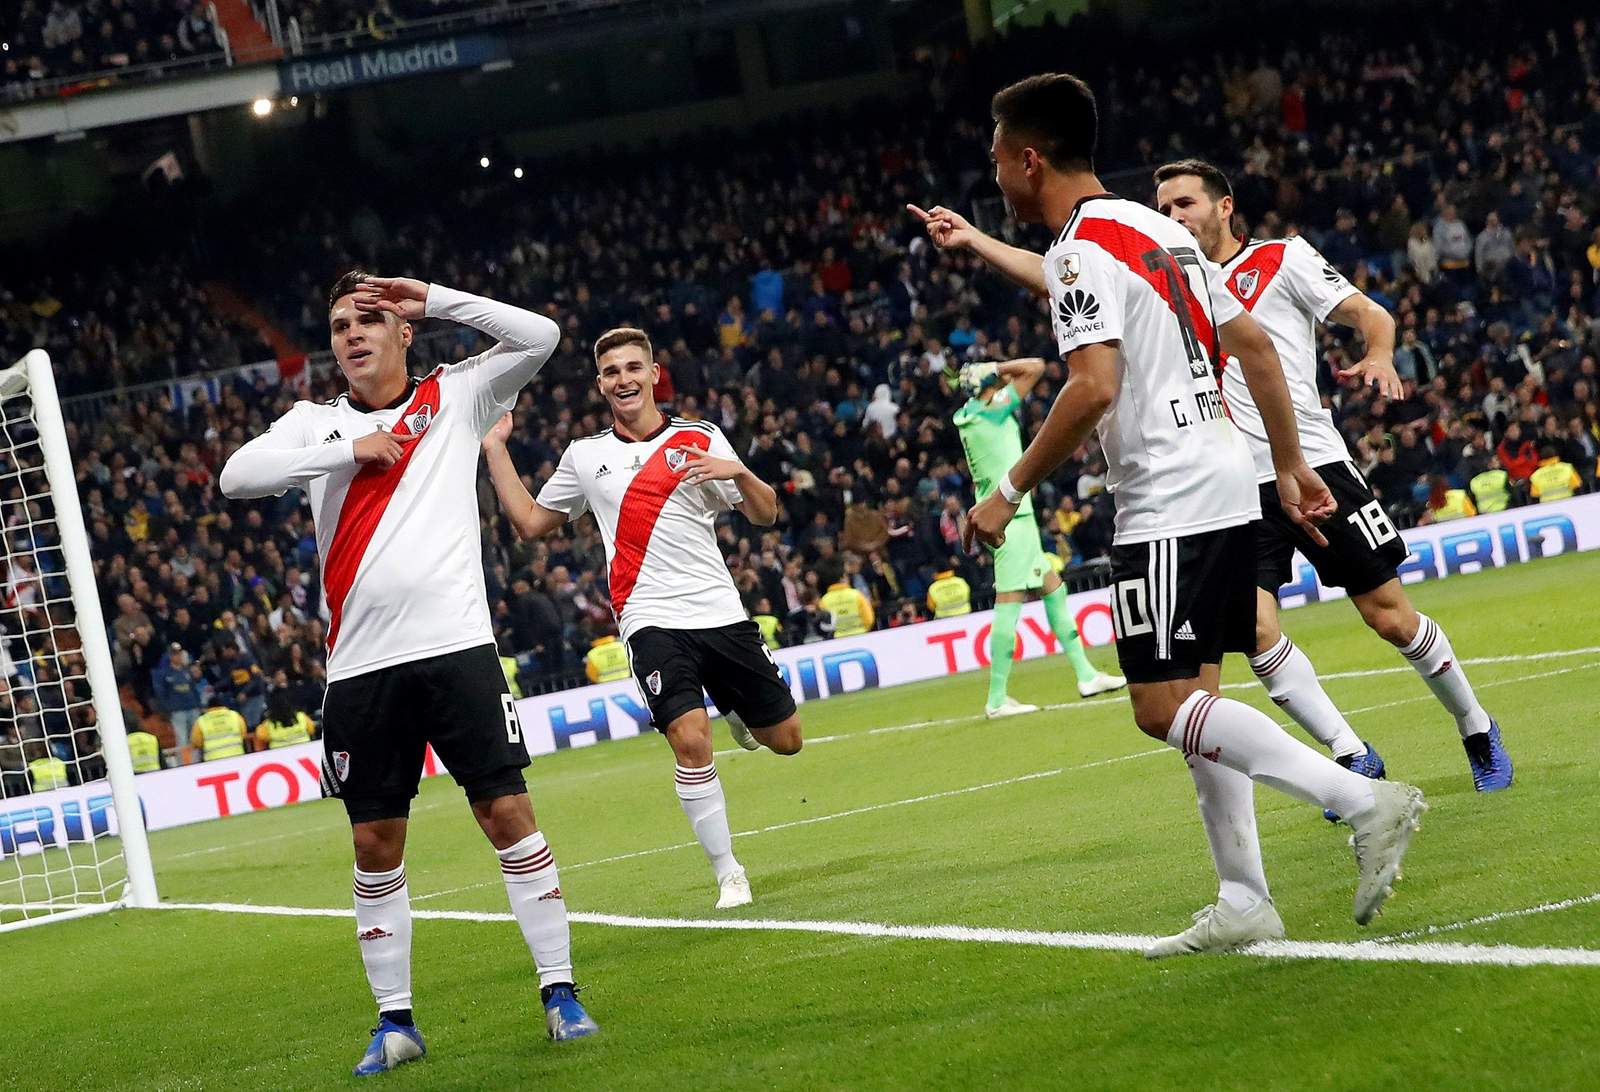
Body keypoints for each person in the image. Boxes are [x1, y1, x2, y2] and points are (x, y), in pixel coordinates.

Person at [918, 73, 1426, 956]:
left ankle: (1360, 799)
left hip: (1166, 499)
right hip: (1227, 478)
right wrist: (1287, 462)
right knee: (1199, 701)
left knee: (1160, 709)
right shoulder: (1161, 231)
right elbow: (1254, 344)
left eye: (996, 159)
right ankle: (1244, 898)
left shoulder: (1080, 249)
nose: (994, 176)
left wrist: (1009, 490)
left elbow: (1092, 387)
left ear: (1029, 160)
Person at [220, 270, 597, 1073]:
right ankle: (395, 1023)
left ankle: (560, 993)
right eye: (339, 326)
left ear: (403, 332)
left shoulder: (457, 395)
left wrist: (434, 297)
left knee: (507, 814)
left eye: (369, 320)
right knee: (373, 839)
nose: (353, 334)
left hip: (458, 649)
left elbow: (541, 336)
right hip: (361, 669)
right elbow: (235, 476)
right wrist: (346, 450)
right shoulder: (314, 422)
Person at [1151, 159, 1511, 799]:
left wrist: (1379, 352)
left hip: (1315, 465)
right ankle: (1352, 753)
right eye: (1164, 209)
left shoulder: (1283, 259)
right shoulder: (1170, 291)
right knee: (1255, 632)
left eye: (1185, 204)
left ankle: (1476, 727)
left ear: (1224, 206)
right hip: (1233, 489)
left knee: (1390, 618)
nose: (1174, 217)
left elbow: (1371, 314)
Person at [482, 325, 803, 912]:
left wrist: (737, 473)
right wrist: (495, 448)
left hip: (719, 611)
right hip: (648, 616)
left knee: (786, 741)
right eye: (611, 372)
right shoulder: (585, 457)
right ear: (600, 384)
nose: (623, 379)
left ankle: (733, 705)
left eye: (633, 368)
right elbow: (529, 524)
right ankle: (729, 872)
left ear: (654, 374)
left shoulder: (699, 437)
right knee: (690, 739)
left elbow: (766, 515)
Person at [950, 357, 1124, 716]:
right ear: (987, 386)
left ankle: (1086, 674)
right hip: (1011, 519)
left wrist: (987, 375)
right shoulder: (993, 411)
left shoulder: (969, 415)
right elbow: (1035, 367)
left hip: (1012, 517)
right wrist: (997, 367)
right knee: (1008, 601)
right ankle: (997, 698)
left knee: (1053, 589)